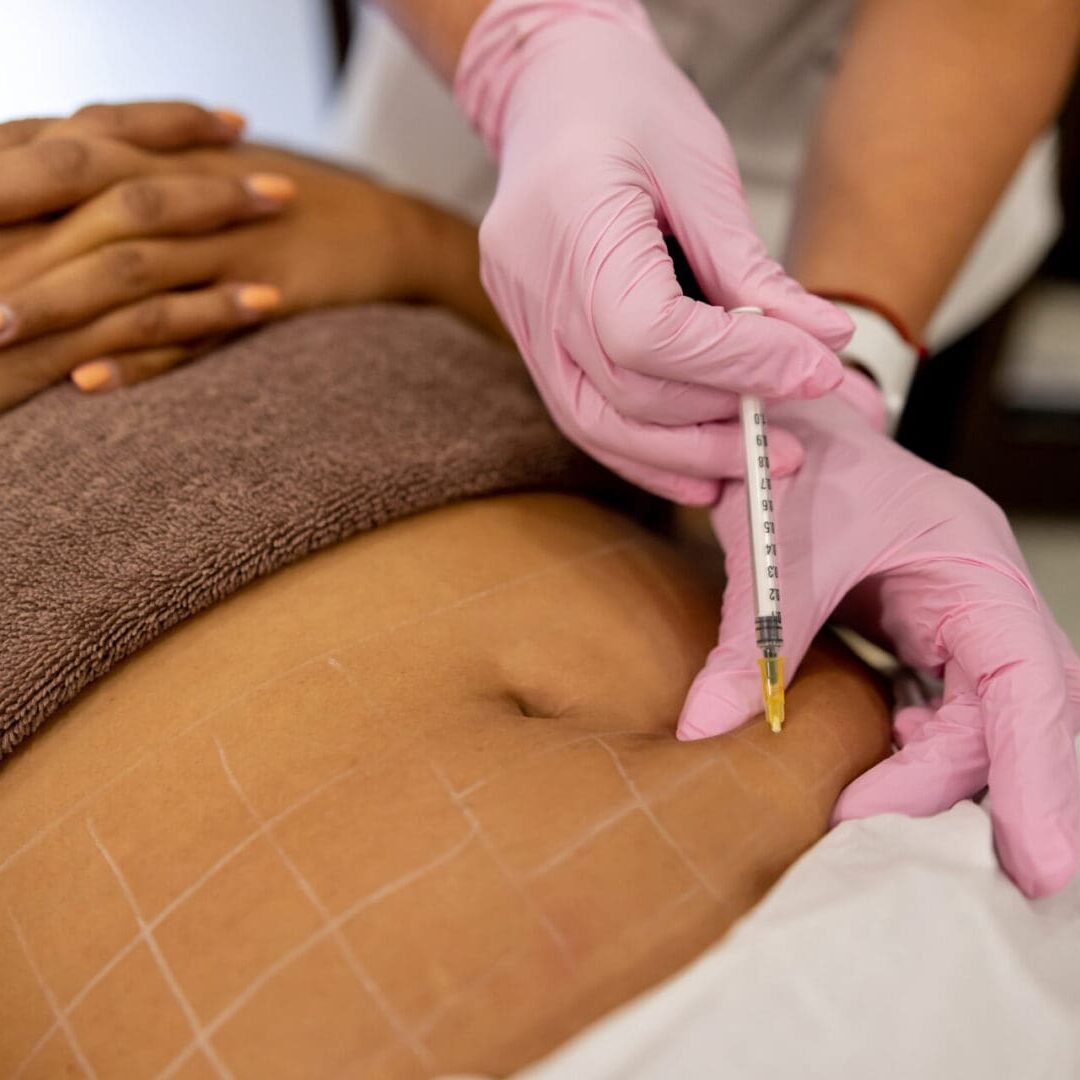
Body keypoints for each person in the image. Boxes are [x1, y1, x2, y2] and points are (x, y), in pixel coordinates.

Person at [0, 0, 1078, 897]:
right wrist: (523, 48)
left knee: (832, 495)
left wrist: (855, 366)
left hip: (892, 172)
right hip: (457, 118)